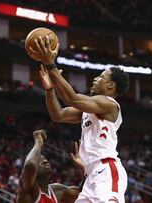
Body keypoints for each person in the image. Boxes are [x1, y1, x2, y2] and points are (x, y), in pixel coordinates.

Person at [32, 36, 130, 202]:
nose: (95, 79)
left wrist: (51, 64)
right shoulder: (89, 109)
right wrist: (50, 90)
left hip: (106, 171)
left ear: (110, 86)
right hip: (91, 175)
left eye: (100, 77)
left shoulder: (109, 104)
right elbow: (58, 115)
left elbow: (72, 98)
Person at [16, 130, 84, 203]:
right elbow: (30, 165)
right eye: (39, 161)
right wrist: (38, 141)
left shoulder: (57, 190)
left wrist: (85, 167)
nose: (45, 161)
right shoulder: (28, 191)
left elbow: (84, 193)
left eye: (45, 159)